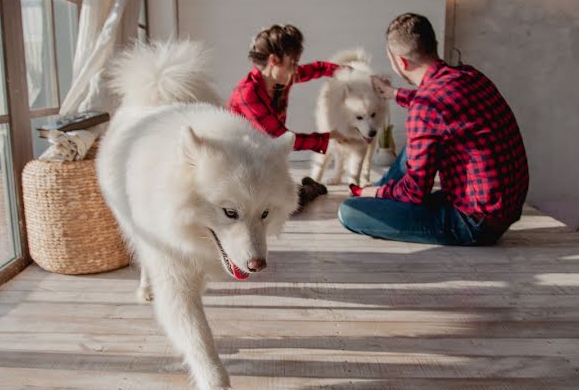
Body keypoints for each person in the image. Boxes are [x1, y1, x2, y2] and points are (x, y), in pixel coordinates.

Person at [340, 13, 529, 246]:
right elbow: (436, 105)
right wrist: (393, 93)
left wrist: (378, 194)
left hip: (474, 223)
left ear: (401, 62)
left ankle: (375, 194)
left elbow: (415, 192)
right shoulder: (470, 76)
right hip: (500, 212)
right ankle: (379, 193)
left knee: (349, 211)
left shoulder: (426, 106)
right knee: (414, 148)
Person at [226, 24, 344, 211]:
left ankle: (304, 188)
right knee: (286, 206)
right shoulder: (247, 93)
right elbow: (281, 138)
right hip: (240, 167)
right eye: (292, 63)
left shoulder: (281, 80)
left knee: (286, 201)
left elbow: (317, 69)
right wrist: (328, 137)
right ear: (274, 60)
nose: (296, 69)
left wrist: (349, 72)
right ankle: (308, 188)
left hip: (265, 160)